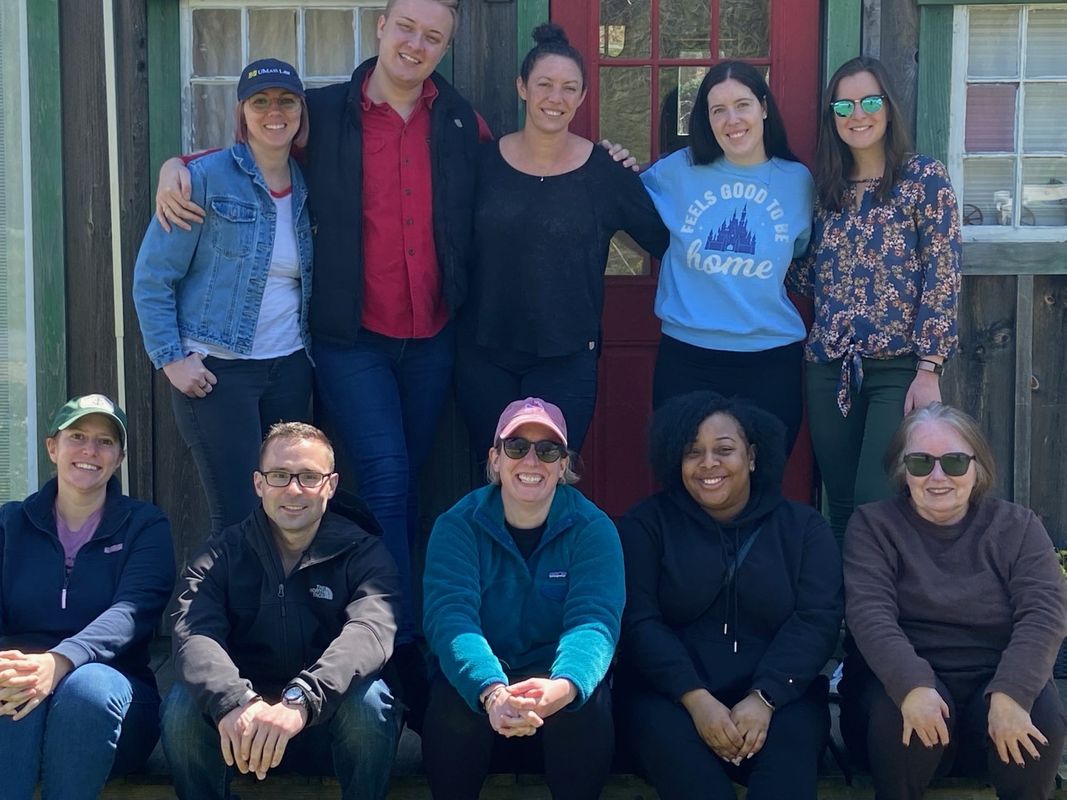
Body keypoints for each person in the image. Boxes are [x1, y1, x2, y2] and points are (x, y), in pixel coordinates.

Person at [154, 0, 483, 658]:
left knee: (407, 482)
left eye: (432, 36)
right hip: (349, 335)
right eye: (406, 29)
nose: (415, 45)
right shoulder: (326, 115)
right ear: (382, 27)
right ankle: (398, 646)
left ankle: (364, 620)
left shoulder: (458, 120)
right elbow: (257, 147)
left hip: (432, 336)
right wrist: (180, 165)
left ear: (444, 47)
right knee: (386, 479)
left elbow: (516, 172)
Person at [615, 390, 843, 800]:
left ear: (752, 456)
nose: (708, 464)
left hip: (779, 700)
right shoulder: (645, 526)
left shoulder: (804, 528)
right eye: (692, 452)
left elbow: (817, 619)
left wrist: (765, 697)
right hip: (671, 698)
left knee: (788, 771)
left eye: (724, 450)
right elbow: (639, 622)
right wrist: (695, 699)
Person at [454, 24, 667, 458]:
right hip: (484, 354)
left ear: (584, 96)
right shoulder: (481, 165)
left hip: (567, 357)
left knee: (554, 478)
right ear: (522, 88)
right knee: (494, 474)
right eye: (545, 85)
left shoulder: (604, 172)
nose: (556, 98)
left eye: (569, 88)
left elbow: (663, 238)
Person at [161, 422, 402, 800]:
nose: (293, 489)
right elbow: (193, 634)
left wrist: (302, 699)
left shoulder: (364, 552)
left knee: (371, 705)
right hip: (243, 726)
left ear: (331, 485)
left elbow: (369, 632)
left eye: (309, 476)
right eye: (279, 475)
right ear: (259, 484)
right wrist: (236, 701)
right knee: (181, 709)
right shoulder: (220, 553)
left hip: (326, 718)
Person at [840, 403, 1066, 800]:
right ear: (902, 470)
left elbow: (1044, 613)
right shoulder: (873, 526)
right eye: (921, 462)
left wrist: (1012, 691)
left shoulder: (1018, 526)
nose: (938, 476)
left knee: (1038, 715)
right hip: (900, 695)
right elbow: (869, 614)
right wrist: (912, 685)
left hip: (990, 697)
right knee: (901, 716)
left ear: (977, 466)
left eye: (955, 462)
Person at [133, 58, 313, 534]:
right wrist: (171, 359)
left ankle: (282, 610)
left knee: (289, 513)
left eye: (286, 101)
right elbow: (153, 276)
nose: (274, 112)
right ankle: (228, 611)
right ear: (243, 113)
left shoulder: (307, 185)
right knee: (238, 516)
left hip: (290, 367)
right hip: (218, 373)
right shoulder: (205, 179)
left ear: (300, 111)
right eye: (261, 102)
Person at [786, 56, 961, 544]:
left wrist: (930, 367)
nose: (856, 113)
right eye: (843, 104)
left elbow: (942, 273)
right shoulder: (825, 190)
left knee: (874, 501)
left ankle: (877, 616)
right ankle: (843, 617)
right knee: (839, 503)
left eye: (869, 101)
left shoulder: (923, 180)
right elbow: (806, 273)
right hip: (829, 367)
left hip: (897, 369)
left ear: (888, 108)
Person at [421, 397, 625, 799]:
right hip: (482, 687)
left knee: (584, 704)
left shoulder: (594, 529)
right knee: (452, 705)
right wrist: (493, 690)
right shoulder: (457, 525)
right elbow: (451, 618)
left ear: (563, 466)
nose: (532, 461)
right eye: (517, 447)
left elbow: (595, 621)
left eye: (548, 450)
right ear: (495, 459)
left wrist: (564, 686)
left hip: (553, 683)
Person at [0, 394, 175, 799]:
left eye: (105, 442)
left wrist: (58, 662)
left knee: (87, 687)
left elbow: (133, 611)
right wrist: (19, 671)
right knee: (13, 689)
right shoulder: (10, 524)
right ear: (52, 447)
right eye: (77, 436)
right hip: (19, 695)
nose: (89, 450)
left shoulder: (145, 526)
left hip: (114, 705)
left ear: (120, 458)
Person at [640, 61, 814, 452]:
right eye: (718, 110)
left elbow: (801, 250)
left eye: (743, 105)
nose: (732, 120)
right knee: (685, 477)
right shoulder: (678, 171)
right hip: (688, 357)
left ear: (764, 108)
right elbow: (625, 204)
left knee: (762, 481)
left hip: (770, 358)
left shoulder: (797, 181)